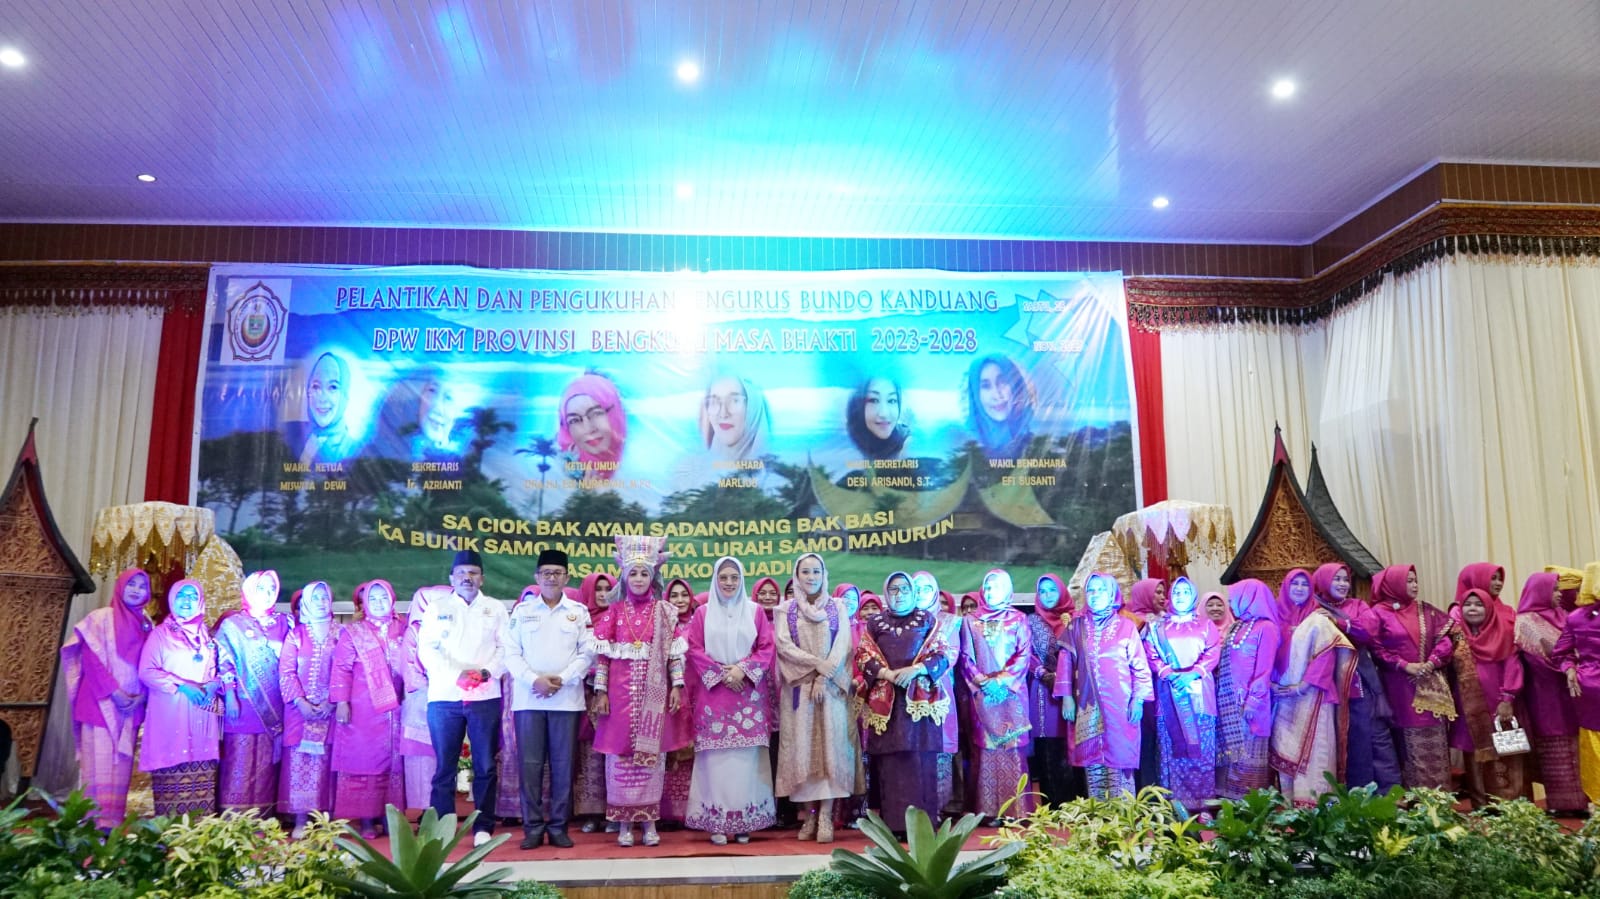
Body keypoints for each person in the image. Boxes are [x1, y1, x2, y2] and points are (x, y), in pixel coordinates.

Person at [591, 535, 685, 847]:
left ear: (653, 577)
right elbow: (603, 657)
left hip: (654, 698)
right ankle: (623, 824)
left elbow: (673, 655)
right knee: (620, 759)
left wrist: (677, 686)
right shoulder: (615, 612)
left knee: (652, 759)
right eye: (634, 573)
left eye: (645, 573)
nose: (640, 579)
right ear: (625, 576)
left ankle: (649, 822)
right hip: (619, 700)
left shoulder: (665, 612)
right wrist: (601, 692)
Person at [417, 549, 511, 847]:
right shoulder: (437, 608)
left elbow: (506, 648)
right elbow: (426, 649)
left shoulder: (495, 608)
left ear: (482, 578)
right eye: (461, 573)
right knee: (444, 766)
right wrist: (456, 674)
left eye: (473, 573)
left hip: (485, 695)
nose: (467, 578)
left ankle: (483, 827)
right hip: (444, 696)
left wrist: (486, 672)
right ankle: (443, 827)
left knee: (485, 765)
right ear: (451, 578)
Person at [505, 549, 596, 850]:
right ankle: (532, 828)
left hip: (566, 700)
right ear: (537, 577)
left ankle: (558, 827)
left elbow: (587, 652)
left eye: (558, 573)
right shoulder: (522, 612)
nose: (552, 578)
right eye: (546, 573)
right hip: (529, 700)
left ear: (566, 578)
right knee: (530, 766)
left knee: (562, 765)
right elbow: (511, 653)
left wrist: (562, 679)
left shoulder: (578, 612)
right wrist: (535, 680)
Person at [856, 571, 958, 834]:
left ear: (913, 593)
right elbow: (863, 655)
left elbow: (944, 653)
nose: (899, 594)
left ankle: (923, 827)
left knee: (920, 762)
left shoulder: (927, 620)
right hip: (887, 706)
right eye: (893, 590)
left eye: (904, 589)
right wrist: (887, 674)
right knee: (891, 765)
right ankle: (895, 826)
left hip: (920, 706)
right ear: (886, 593)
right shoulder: (875, 623)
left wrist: (916, 670)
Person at [685, 557, 778, 844]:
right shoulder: (702, 613)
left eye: (734, 578)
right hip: (713, 695)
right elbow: (694, 648)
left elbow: (766, 647)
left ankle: (744, 822)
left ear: (741, 580)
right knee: (715, 762)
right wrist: (721, 674)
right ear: (715, 579)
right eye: (723, 577)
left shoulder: (755, 611)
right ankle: (716, 822)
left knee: (746, 761)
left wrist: (742, 670)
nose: (729, 583)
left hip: (748, 694)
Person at [774, 553, 859, 842]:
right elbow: (784, 647)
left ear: (824, 575)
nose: (811, 577)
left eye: (816, 572)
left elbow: (843, 646)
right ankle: (810, 814)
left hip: (831, 689)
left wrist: (824, 676)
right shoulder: (785, 610)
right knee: (804, 751)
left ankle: (825, 816)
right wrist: (815, 666)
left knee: (830, 751)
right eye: (805, 572)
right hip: (800, 690)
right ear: (796, 576)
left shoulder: (838, 607)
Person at [61, 567, 152, 827]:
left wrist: (142, 696)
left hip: (131, 707)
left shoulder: (147, 624)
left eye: (142, 586)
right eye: (131, 584)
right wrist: (114, 692)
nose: (136, 590)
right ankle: (91, 825)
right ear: (120, 586)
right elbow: (90, 659)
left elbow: (152, 664)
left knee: (120, 768)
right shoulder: (100, 618)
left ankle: (111, 825)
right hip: (99, 704)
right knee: (97, 764)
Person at [1055, 573, 1152, 799]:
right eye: (1091, 590)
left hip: (1120, 707)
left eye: (1101, 590)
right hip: (1086, 705)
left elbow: (1140, 668)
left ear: (1112, 594)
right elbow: (1065, 664)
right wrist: (1066, 698)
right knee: (1092, 760)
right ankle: (1098, 812)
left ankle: (1124, 812)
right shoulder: (1076, 626)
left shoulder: (1126, 626)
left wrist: (1138, 700)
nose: (1095, 594)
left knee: (1120, 756)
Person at [1313, 563, 1402, 792]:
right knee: (1342, 737)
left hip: (1360, 679)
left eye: (1345, 579)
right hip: (1327, 683)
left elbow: (1369, 631)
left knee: (1373, 734)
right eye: (1337, 579)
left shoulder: (1357, 605)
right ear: (1323, 581)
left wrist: (1340, 623)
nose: (1343, 584)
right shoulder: (1315, 607)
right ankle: (1351, 793)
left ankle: (1388, 791)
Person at [1269, 568, 1355, 806]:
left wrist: (1302, 686)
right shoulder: (1274, 618)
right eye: (1294, 584)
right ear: (1285, 587)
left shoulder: (1319, 619)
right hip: (1281, 697)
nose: (1299, 588)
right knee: (1285, 748)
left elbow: (1326, 657)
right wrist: (1270, 684)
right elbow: (1266, 654)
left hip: (1314, 695)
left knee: (1316, 752)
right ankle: (1289, 804)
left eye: (1304, 584)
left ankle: (1316, 804)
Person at [138, 579, 222, 817]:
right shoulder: (160, 635)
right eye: (181, 595)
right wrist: (183, 686)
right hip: (171, 714)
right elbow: (146, 672)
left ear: (201, 601)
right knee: (172, 772)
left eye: (193, 596)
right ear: (172, 600)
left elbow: (216, 670)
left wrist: (213, 684)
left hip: (201, 713)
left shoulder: (206, 635)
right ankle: (171, 831)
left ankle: (200, 832)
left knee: (202, 776)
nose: (187, 601)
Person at [328, 579, 406, 836]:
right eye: (373, 598)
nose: (379, 603)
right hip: (363, 708)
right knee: (365, 760)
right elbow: (341, 669)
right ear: (364, 603)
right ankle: (366, 820)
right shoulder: (354, 632)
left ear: (392, 599)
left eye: (384, 598)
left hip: (398, 707)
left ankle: (390, 816)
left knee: (394, 762)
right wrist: (341, 702)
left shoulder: (403, 627)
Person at [1367, 563, 1456, 789]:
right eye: (1409, 581)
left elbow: (1445, 640)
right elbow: (1375, 648)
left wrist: (1431, 662)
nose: (1415, 585)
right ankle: (1416, 798)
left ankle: (1440, 797)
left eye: (1416, 581)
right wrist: (1404, 665)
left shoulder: (1426, 610)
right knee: (1406, 740)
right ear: (1394, 584)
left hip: (1430, 683)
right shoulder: (1378, 613)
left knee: (1435, 738)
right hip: (1399, 686)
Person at [957, 569, 1036, 821]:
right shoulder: (970, 620)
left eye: (997, 587)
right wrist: (982, 682)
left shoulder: (1019, 619)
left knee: (1012, 748)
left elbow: (1024, 655)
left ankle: (1016, 811)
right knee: (985, 749)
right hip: (981, 695)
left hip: (1011, 695)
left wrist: (1001, 681)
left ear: (1008, 590)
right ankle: (987, 811)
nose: (991, 592)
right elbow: (965, 657)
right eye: (988, 587)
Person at [215, 569, 291, 815]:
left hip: (276, 706)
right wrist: (229, 694)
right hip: (242, 705)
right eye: (261, 588)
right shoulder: (232, 625)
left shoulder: (285, 623)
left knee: (266, 764)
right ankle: (234, 818)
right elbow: (224, 662)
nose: (267, 594)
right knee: (240, 759)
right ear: (249, 591)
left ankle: (263, 817)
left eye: (272, 589)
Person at [1514, 571, 1587, 814]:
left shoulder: (1564, 615)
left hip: (1573, 692)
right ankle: (1563, 805)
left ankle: (1583, 801)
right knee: (1555, 745)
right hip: (1546, 695)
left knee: (1576, 744)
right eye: (1554, 589)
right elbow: (1547, 658)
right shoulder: (1526, 622)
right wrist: (1576, 665)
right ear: (1540, 592)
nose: (1559, 594)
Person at [1145, 575, 1220, 810]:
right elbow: (1150, 653)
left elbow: (1212, 652)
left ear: (1193, 596)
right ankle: (1174, 807)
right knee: (1171, 751)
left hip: (1200, 696)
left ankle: (1203, 806)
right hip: (1169, 693)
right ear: (1170, 596)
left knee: (1201, 752)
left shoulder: (1206, 625)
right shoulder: (1157, 627)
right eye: (1177, 592)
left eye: (1186, 592)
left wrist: (1192, 674)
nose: (1180, 597)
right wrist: (1168, 673)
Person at [1449, 588, 1526, 806]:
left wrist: (1507, 698)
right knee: (1473, 754)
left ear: (1489, 608)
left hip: (1498, 704)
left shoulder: (1502, 634)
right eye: (1467, 604)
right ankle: (1480, 804)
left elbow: (1513, 666)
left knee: (1504, 752)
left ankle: (1506, 804)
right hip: (1468, 706)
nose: (1472, 609)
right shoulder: (1455, 637)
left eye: (1479, 604)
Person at [280, 580, 341, 837]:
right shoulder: (296, 634)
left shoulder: (342, 633)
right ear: (306, 602)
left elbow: (347, 669)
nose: (320, 602)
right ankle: (301, 820)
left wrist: (333, 701)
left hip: (332, 711)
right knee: (300, 762)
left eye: (324, 597)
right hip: (299, 712)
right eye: (315, 598)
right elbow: (286, 671)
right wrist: (300, 701)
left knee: (328, 763)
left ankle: (327, 819)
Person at [1215, 579, 1281, 800]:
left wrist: (1252, 702)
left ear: (1248, 598)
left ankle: (1247, 809)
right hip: (1228, 703)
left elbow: (1264, 670)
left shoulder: (1267, 628)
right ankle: (1227, 806)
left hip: (1250, 705)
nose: (1230, 604)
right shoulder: (1236, 626)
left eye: (1233, 599)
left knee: (1247, 757)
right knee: (1229, 759)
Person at [1026, 573, 1079, 805]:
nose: (1047, 595)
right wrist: (1044, 674)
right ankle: (1055, 807)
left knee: (1077, 746)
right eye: (1043, 591)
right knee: (1050, 750)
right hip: (1044, 693)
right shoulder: (1031, 622)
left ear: (1062, 592)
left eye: (1052, 590)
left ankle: (1080, 805)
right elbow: (1026, 653)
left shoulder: (1076, 619)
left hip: (1077, 690)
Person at [1552, 562, 1600, 808]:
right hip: (1590, 689)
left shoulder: (1576, 617)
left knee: (1593, 743)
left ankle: (1598, 801)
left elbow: (1560, 653)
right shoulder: (1577, 617)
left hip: (1587, 685)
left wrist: (1570, 668)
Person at [399, 586, 446, 811]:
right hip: (421, 701)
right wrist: (433, 686)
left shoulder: (452, 627)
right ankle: (426, 810)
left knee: (444, 755)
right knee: (422, 759)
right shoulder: (414, 631)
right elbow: (409, 669)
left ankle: (443, 809)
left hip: (447, 699)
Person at [573, 571, 614, 832]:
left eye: (608, 589)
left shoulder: (620, 618)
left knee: (613, 754)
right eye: (598, 589)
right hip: (583, 695)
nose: (603, 594)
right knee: (589, 754)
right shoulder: (579, 620)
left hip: (614, 696)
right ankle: (591, 813)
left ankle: (615, 811)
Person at [659, 577, 700, 828]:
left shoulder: (699, 624)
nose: (680, 600)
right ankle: (668, 813)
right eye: (674, 595)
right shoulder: (661, 626)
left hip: (697, 694)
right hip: (670, 694)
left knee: (694, 753)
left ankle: (691, 811)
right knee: (671, 750)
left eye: (684, 595)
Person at [1124, 577, 1164, 789]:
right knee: (1144, 738)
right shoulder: (1128, 621)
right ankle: (1144, 791)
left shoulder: (1167, 619)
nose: (1162, 597)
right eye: (1157, 592)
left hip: (1163, 685)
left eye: (1163, 592)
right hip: (1140, 688)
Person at [290, 351, 356, 465]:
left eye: (333, 387)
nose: (322, 398)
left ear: (345, 395)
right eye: (316, 386)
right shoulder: (296, 438)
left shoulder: (352, 449)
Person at [559, 371, 626, 481]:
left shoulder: (640, 463)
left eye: (596, 414)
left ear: (614, 414)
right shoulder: (563, 471)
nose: (588, 428)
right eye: (574, 420)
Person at [964, 355, 1034, 460]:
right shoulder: (965, 445)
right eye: (986, 386)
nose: (997, 395)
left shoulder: (1035, 441)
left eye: (1003, 382)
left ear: (1015, 386)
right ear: (976, 395)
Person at [700, 373, 770, 462]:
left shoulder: (773, 469)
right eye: (714, 402)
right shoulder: (700, 465)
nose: (723, 413)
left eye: (734, 401)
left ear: (753, 409)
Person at [845, 376, 910, 461]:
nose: (884, 414)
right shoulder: (847, 443)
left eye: (892, 401)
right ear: (858, 405)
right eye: (873, 400)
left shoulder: (907, 443)